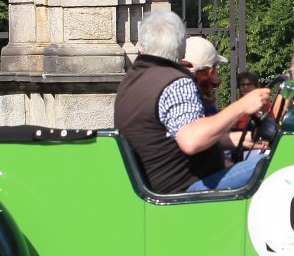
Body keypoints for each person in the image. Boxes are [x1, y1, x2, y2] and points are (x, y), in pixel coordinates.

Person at [116, 10, 272, 193]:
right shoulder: (176, 83)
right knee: (280, 162)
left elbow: (170, 138)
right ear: (182, 45)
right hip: (185, 190)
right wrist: (242, 105)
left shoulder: (131, 80)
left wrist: (235, 139)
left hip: (157, 187)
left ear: (144, 44)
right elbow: (190, 140)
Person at [182, 35, 227, 116]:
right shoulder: (196, 104)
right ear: (210, 71)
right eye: (216, 66)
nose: (217, 72)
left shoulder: (177, 94)